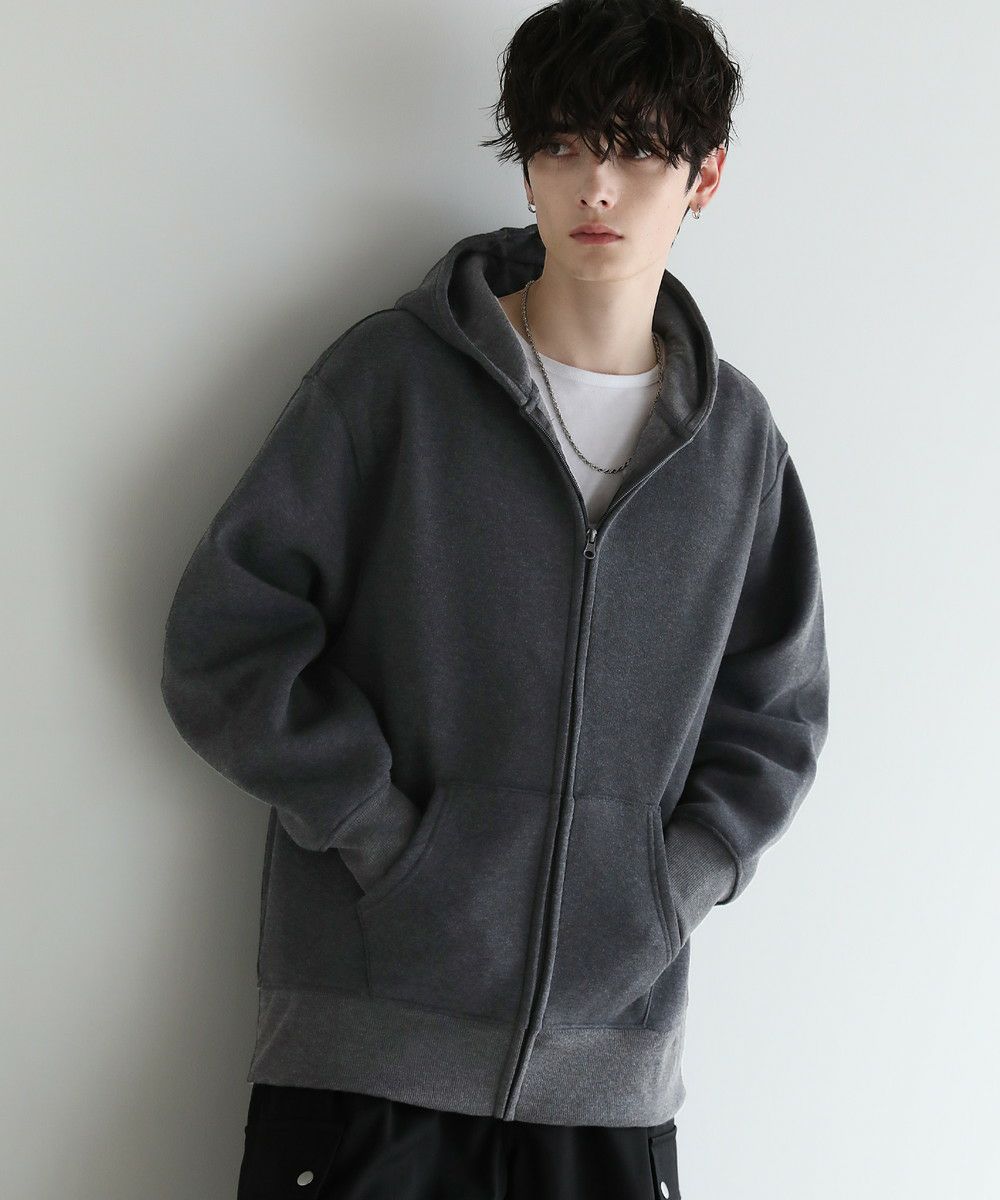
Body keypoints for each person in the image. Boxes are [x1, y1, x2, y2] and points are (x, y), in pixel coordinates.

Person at [159, 1, 830, 1195]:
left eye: (637, 151)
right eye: (562, 146)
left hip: (607, 1080)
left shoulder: (735, 448)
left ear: (705, 176)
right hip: (367, 1057)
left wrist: (668, 886)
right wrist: (386, 838)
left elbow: (775, 720)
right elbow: (226, 639)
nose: (596, 187)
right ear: (526, 166)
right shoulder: (393, 384)